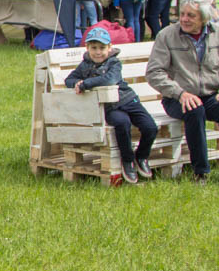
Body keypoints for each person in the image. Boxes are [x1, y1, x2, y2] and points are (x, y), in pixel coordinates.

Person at [146, 0, 219, 186]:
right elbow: (154, 73)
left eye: (191, 16)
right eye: (182, 14)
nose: (184, 19)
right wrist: (180, 93)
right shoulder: (167, 35)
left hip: (210, 95)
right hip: (177, 97)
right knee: (194, 109)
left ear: (204, 18)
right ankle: (200, 172)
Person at [65, 27, 157, 184]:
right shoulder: (84, 65)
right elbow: (68, 80)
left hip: (128, 100)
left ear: (110, 48)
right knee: (122, 123)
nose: (98, 52)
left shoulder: (114, 63)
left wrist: (85, 84)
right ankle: (127, 160)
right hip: (110, 106)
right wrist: (77, 82)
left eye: (102, 48)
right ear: (87, 48)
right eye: (94, 48)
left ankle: (141, 156)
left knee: (150, 127)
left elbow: (109, 79)